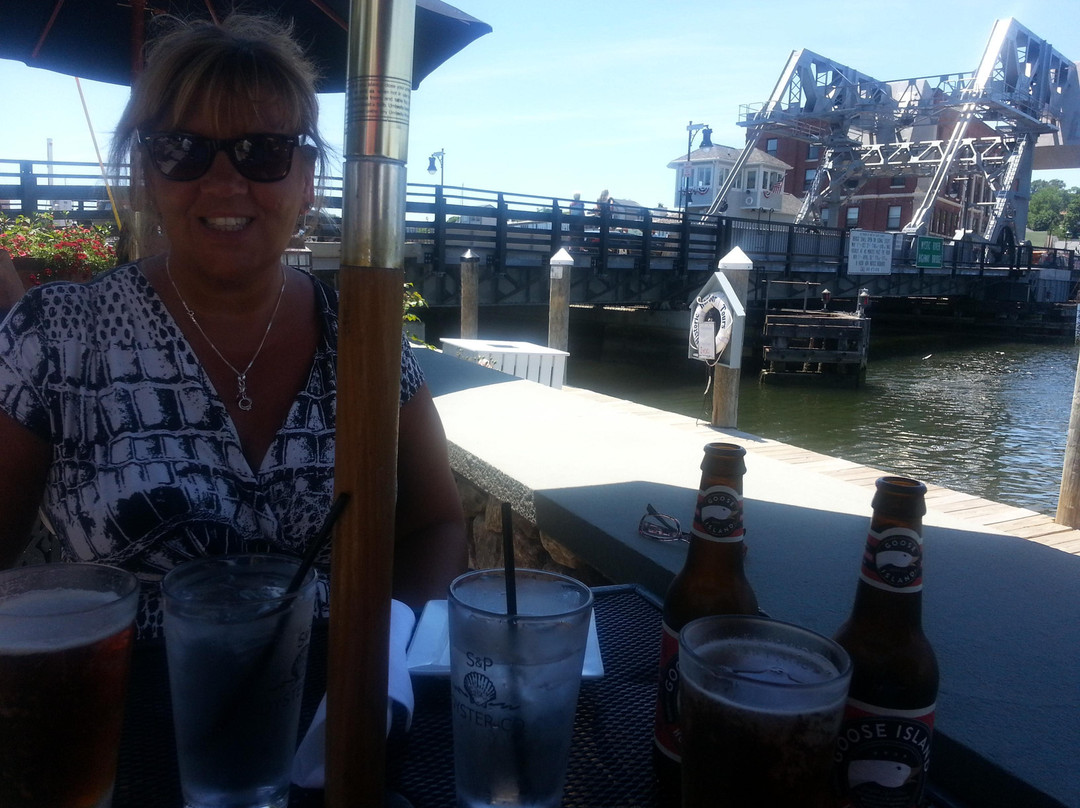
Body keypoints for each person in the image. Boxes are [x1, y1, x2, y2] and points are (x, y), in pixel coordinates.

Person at [0, 14, 467, 639]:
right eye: (181, 149)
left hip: (332, 714)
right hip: (125, 712)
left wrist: (396, 658)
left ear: (308, 180)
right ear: (145, 177)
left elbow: (434, 524)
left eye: (263, 151)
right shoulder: (55, 338)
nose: (224, 182)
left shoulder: (363, 342)